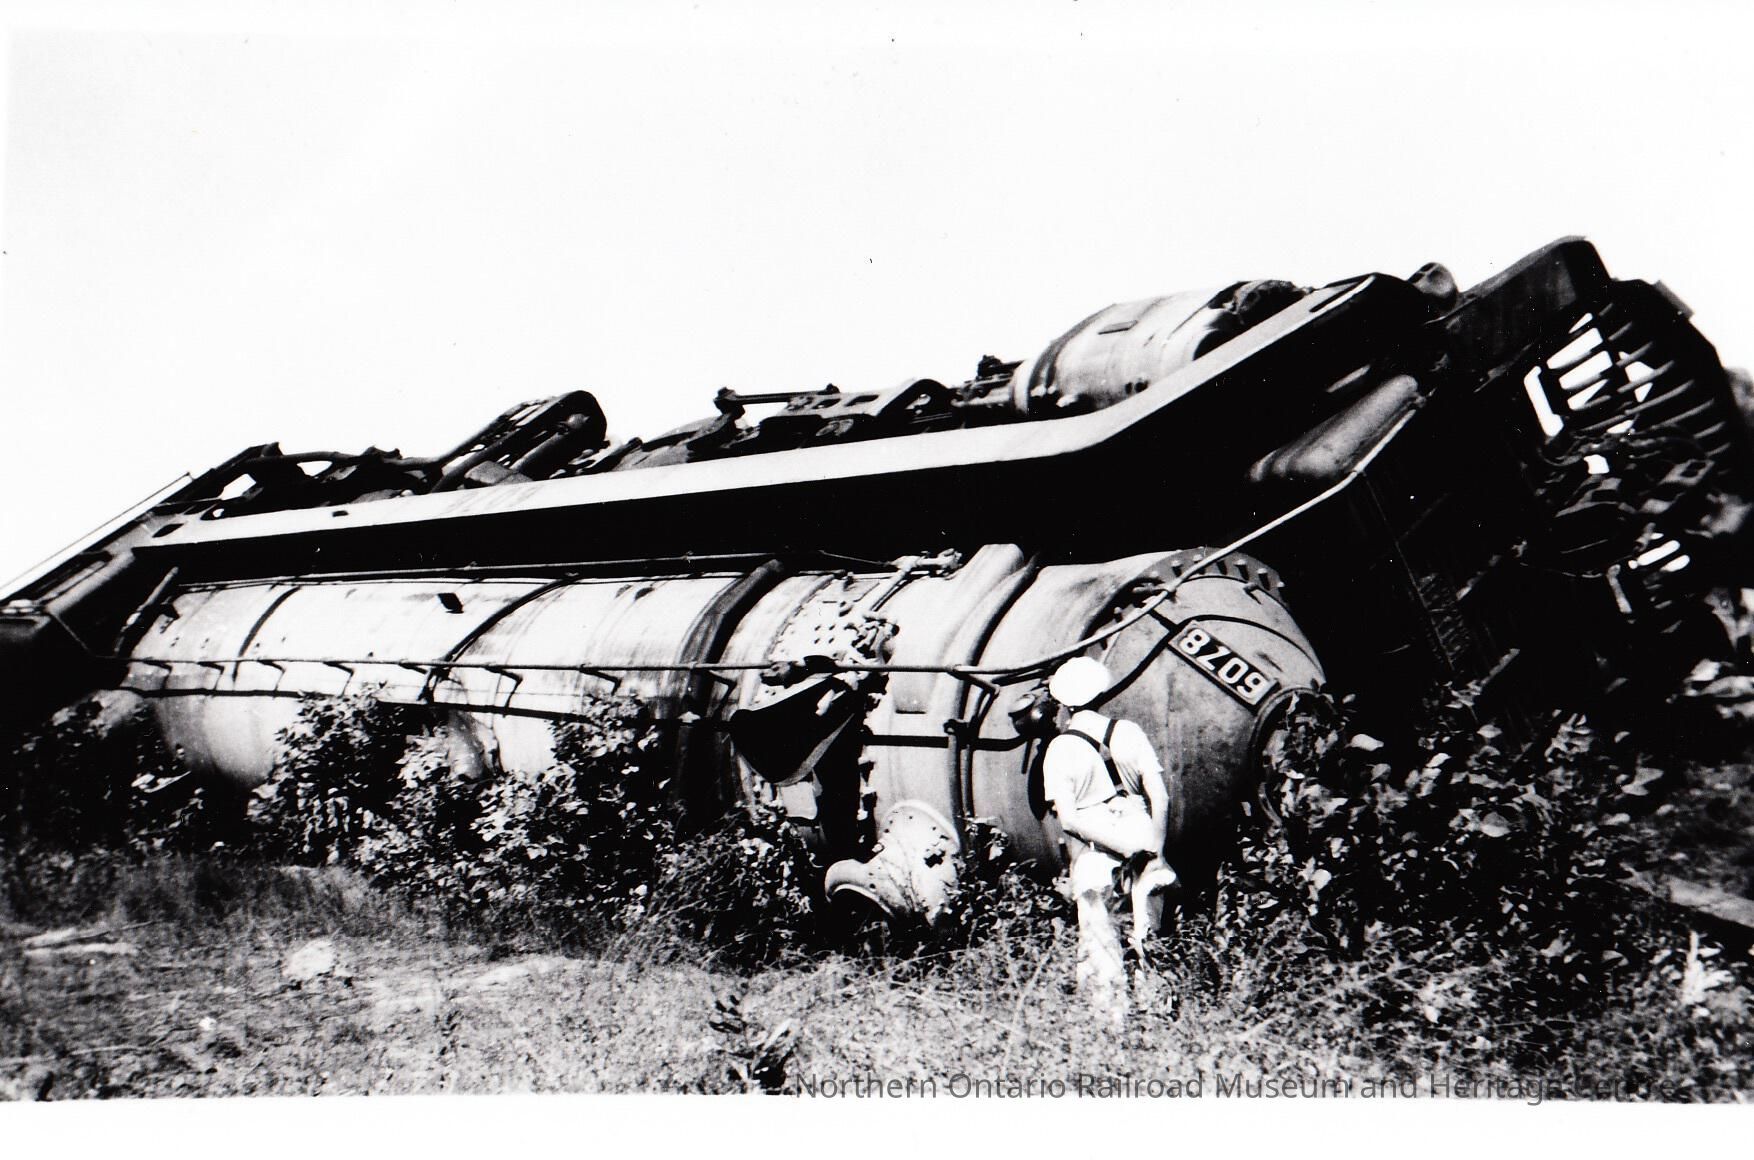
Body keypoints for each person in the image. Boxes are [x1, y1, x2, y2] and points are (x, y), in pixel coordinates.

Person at [1041, 656, 1179, 1019]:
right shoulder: (1128, 732)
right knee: (1150, 942)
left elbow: (1069, 820)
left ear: (1064, 703)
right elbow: (1161, 797)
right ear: (1101, 694)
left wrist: (1121, 850)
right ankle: (1158, 1022)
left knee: (1102, 953)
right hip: (1144, 843)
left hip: (1097, 855)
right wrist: (1154, 852)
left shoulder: (1059, 749)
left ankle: (1111, 1030)